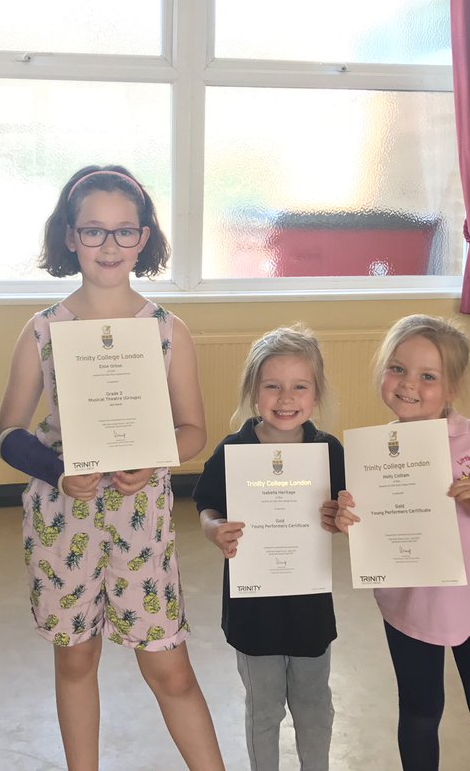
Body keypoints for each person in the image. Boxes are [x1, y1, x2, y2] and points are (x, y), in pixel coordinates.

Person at [0, 165, 224, 771]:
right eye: (93, 230)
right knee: (76, 661)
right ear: (70, 236)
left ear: (143, 238)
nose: (109, 245)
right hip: (62, 521)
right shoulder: (42, 329)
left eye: (125, 231)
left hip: (140, 522)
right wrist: (56, 471)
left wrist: (153, 457)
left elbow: (193, 431)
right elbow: (8, 435)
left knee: (170, 669)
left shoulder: (167, 331)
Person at [335, 314, 470, 771]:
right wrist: (349, 519)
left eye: (428, 376)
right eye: (397, 369)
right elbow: (367, 526)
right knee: (419, 715)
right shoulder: (374, 453)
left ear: (453, 388)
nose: (409, 384)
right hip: (408, 609)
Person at [192, 325, 345, 771]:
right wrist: (213, 529)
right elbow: (206, 504)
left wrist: (342, 518)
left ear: (316, 393)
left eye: (300, 386)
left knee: (314, 705)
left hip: (309, 605)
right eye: (273, 386)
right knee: (263, 709)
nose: (286, 398)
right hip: (253, 607)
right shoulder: (233, 450)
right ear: (253, 392)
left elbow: (344, 511)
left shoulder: (327, 450)